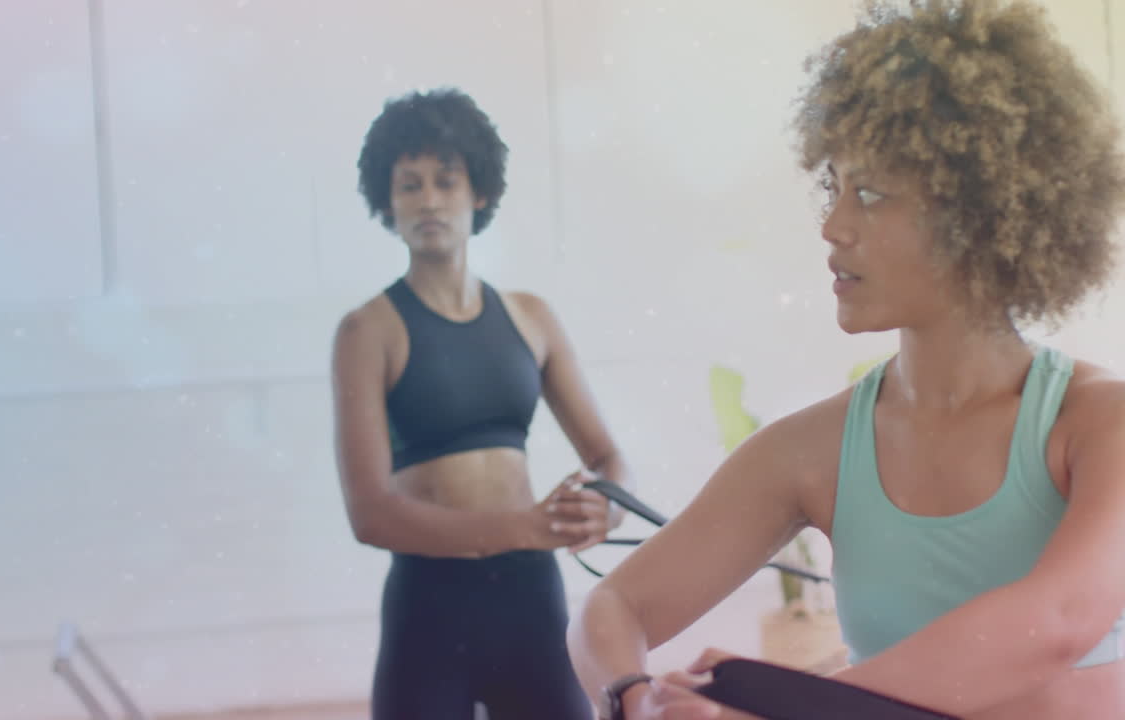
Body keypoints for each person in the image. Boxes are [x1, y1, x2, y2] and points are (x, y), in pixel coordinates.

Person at [566, 1, 1125, 718]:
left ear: (976, 214)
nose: (832, 226)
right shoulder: (814, 451)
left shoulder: (1098, 423)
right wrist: (633, 699)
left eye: (870, 194)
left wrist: (783, 705)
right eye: (834, 188)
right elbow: (612, 605)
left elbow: (1057, 623)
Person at [331, 87, 631, 720]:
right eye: (410, 185)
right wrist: (524, 526)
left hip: (531, 602)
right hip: (428, 611)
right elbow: (370, 515)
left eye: (446, 180)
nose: (430, 200)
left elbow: (606, 456)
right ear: (388, 203)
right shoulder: (367, 331)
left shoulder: (532, 318)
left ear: (481, 193)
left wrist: (605, 507)